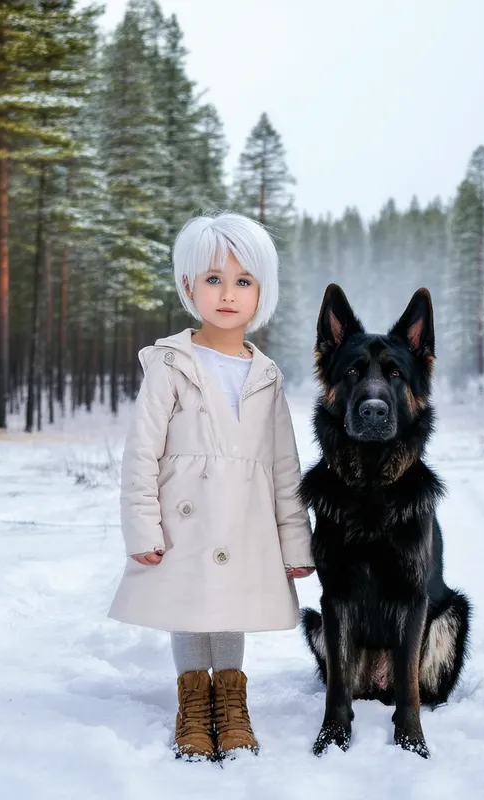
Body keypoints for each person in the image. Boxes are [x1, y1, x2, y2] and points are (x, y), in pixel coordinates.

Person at [108, 212, 315, 761]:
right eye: (214, 279)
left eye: (243, 281)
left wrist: (296, 543)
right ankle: (193, 703)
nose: (228, 294)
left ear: (260, 293)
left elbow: (285, 467)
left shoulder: (266, 375)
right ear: (188, 286)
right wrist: (142, 524)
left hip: (243, 517)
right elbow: (142, 451)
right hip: (186, 514)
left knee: (228, 605)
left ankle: (231, 699)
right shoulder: (170, 364)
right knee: (189, 602)